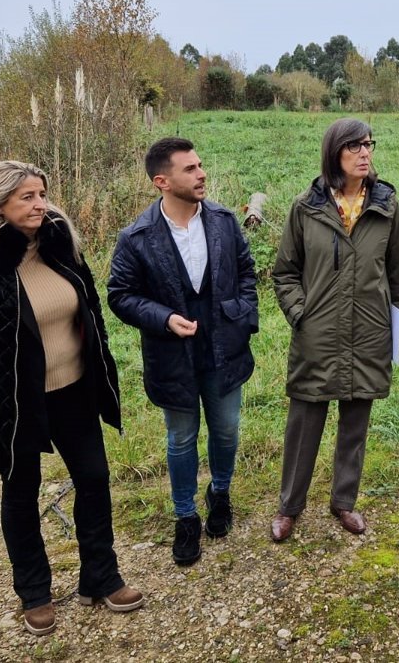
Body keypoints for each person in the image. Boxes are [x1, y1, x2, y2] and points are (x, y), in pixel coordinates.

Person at [0, 161, 142, 638]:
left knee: (94, 478)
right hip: (14, 402)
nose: (40, 204)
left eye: (42, 193)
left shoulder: (60, 245)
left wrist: (104, 376)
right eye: (27, 197)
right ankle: (35, 594)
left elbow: (90, 315)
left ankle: (101, 578)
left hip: (73, 390)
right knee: (21, 493)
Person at [108, 137, 259, 566]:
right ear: (162, 181)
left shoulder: (224, 221)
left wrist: (244, 316)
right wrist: (161, 317)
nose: (201, 173)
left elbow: (246, 271)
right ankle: (185, 516)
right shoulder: (136, 237)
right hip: (172, 354)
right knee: (181, 438)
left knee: (227, 429)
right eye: (190, 169)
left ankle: (221, 493)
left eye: (200, 165)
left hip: (224, 346)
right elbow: (120, 294)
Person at [270, 118, 399, 541]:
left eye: (369, 144)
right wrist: (302, 315)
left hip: (368, 332)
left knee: (356, 422)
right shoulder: (305, 207)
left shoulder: (386, 207)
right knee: (304, 422)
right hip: (318, 335)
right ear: (335, 153)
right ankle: (289, 507)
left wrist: (394, 332)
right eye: (355, 146)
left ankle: (343, 502)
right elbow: (284, 273)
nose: (365, 153)